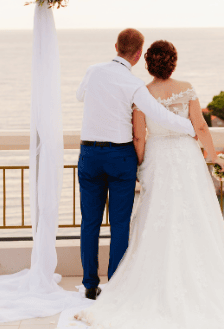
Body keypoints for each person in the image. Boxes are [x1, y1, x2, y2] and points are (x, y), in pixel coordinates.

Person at [75, 40, 224, 329]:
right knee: (195, 218)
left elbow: (139, 137)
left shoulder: (141, 91)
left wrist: (140, 167)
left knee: (155, 218)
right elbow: (202, 128)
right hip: (187, 160)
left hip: (157, 160)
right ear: (173, 62)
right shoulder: (186, 87)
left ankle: (101, 282)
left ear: (148, 63)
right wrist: (214, 158)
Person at [76, 29, 198, 301]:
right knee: (119, 224)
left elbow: (79, 96)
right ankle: (116, 284)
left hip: (90, 155)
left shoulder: (93, 71)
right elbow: (157, 114)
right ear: (138, 54)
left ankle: (89, 285)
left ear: (116, 46)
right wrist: (191, 127)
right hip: (120, 157)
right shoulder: (133, 85)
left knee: (90, 223)